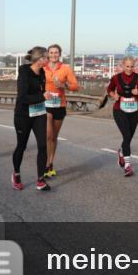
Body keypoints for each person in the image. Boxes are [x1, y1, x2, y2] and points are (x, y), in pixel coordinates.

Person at [13, 46, 54, 191]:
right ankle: (16, 174)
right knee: (21, 146)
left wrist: (45, 96)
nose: (49, 60)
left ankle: (40, 180)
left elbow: (40, 92)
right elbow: (23, 98)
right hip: (23, 115)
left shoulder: (42, 72)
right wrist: (42, 97)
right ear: (40, 59)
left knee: (43, 145)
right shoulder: (24, 73)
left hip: (38, 113)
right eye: (47, 57)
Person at [106, 56, 138, 177]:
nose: (129, 69)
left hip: (134, 111)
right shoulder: (116, 78)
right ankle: (128, 165)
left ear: (134, 66)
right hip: (119, 110)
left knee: (128, 138)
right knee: (127, 135)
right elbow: (109, 90)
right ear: (123, 65)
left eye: (131, 66)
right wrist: (114, 95)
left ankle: (121, 153)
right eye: (127, 66)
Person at [42, 43, 79, 178]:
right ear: (47, 54)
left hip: (59, 105)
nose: (53, 55)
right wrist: (42, 92)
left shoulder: (66, 68)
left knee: (53, 137)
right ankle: (45, 163)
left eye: (56, 52)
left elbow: (75, 86)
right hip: (45, 105)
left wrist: (63, 85)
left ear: (59, 54)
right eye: (51, 52)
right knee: (48, 135)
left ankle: (50, 163)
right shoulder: (42, 68)